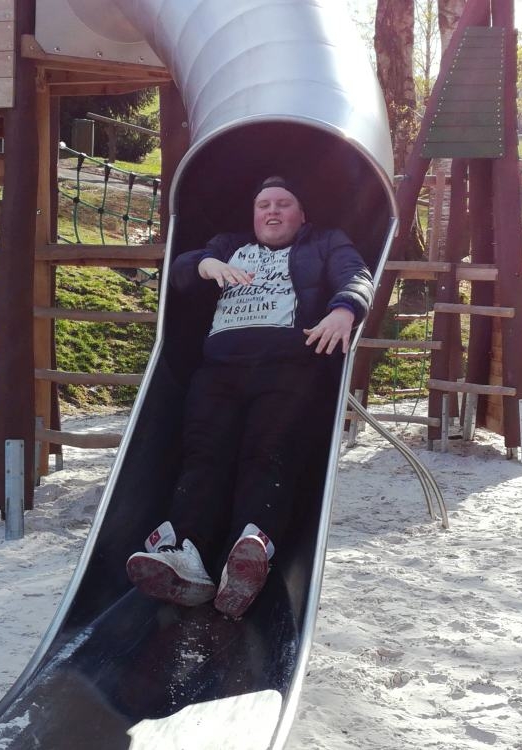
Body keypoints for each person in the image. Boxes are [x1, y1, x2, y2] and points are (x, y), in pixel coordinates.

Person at [126, 175, 374, 619]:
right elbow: (180, 271)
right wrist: (205, 264)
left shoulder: (324, 241)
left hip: (287, 368)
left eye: (283, 203)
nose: (272, 211)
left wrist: (344, 309)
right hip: (220, 370)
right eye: (263, 205)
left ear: (302, 215)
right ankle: (188, 553)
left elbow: (355, 273)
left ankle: (251, 548)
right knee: (203, 456)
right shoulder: (228, 244)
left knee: (268, 453)